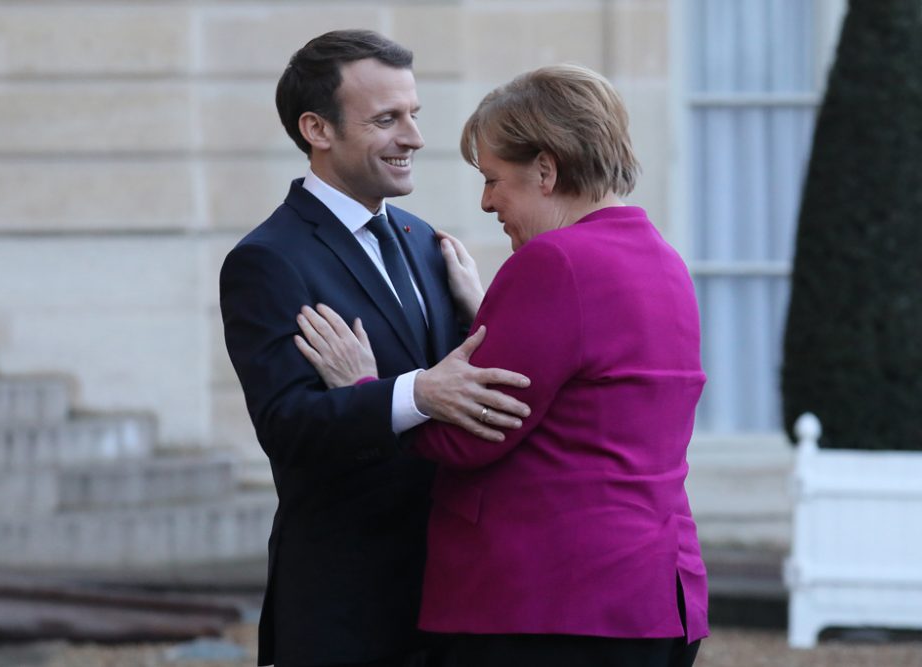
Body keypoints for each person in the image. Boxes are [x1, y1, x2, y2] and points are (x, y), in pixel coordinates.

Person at [296, 64, 708, 667]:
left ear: (546, 169)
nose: (487, 202)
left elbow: (473, 433)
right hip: (655, 595)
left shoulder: (554, 263)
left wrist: (366, 386)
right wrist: (488, 314)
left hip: (552, 605)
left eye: (493, 180)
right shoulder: (661, 258)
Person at [219, 30, 532, 667]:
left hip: (453, 597)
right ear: (317, 129)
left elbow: (478, 391)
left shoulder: (425, 241)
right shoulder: (267, 261)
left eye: (413, 116)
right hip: (345, 609)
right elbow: (287, 428)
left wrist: (483, 314)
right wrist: (415, 393)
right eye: (387, 119)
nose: (413, 138)